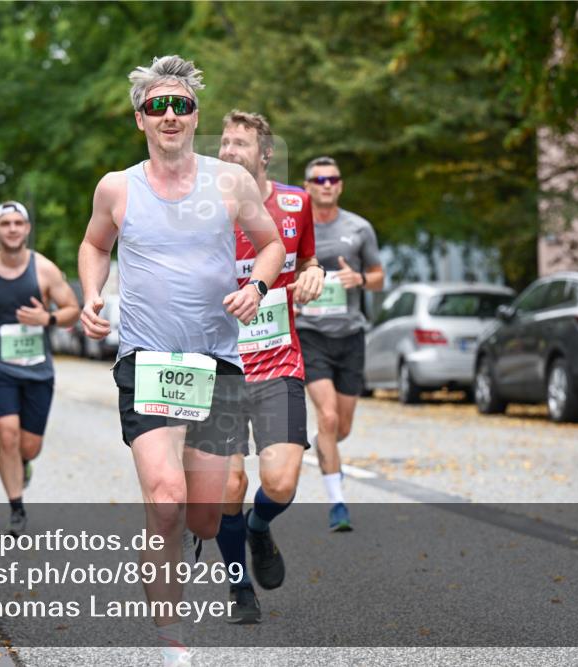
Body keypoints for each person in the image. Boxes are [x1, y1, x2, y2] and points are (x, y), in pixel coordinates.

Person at [77, 56, 285, 665]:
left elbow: (271, 245)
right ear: (139, 118)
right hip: (147, 357)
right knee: (166, 499)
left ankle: (185, 535)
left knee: (200, 517)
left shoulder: (230, 182)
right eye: (157, 106)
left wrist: (259, 288)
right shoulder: (117, 187)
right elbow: (94, 244)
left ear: (195, 115)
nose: (170, 115)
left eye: (181, 105)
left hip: (217, 362)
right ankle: (174, 647)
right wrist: (92, 293)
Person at [214, 110, 324, 624]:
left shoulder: (295, 204)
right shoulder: (201, 208)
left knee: (280, 483)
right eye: (225, 142)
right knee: (228, 485)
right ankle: (240, 588)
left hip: (279, 360)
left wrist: (313, 274)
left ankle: (259, 528)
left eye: (241, 143)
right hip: (220, 366)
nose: (230, 149)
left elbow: (305, 260)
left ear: (265, 154)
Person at [0, 200, 80, 535]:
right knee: (6, 436)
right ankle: (16, 508)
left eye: (18, 223)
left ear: (27, 229)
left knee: (29, 447)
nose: (12, 229)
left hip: (37, 368)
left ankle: (23, 464)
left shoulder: (45, 270)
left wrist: (48, 318)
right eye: (5, 223)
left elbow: (72, 309)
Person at [298, 156, 384, 531]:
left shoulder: (360, 228)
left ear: (341, 185)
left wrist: (360, 280)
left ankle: (326, 444)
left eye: (333, 179)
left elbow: (380, 277)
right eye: (319, 179)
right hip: (310, 332)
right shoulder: (296, 227)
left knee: (340, 427)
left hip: (350, 335)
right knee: (328, 416)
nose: (327, 184)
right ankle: (338, 505)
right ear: (307, 186)